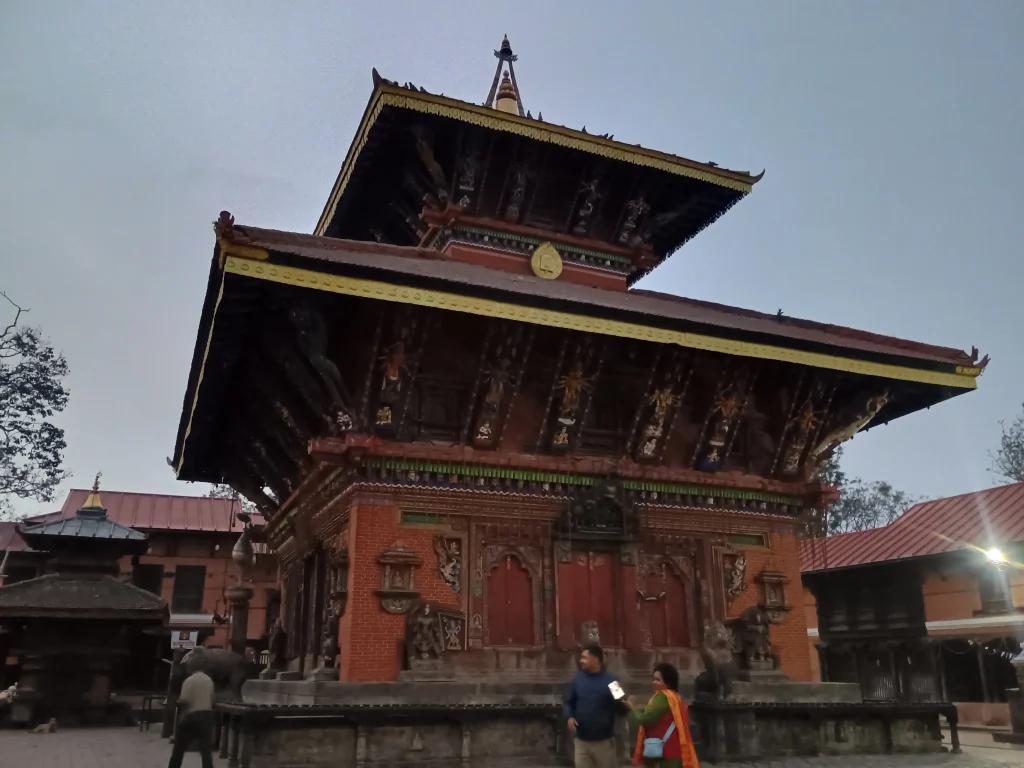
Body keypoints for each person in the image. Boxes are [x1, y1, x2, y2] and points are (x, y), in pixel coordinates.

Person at [563, 644, 627, 768]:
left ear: (595, 659)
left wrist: (622, 702)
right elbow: (568, 702)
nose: (581, 661)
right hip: (581, 741)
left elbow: (623, 709)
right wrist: (569, 717)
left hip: (603, 743)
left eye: (584, 657)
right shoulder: (577, 679)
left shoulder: (612, 681)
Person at [624, 663, 699, 768]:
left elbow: (647, 720)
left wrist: (631, 707)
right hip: (675, 750)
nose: (654, 682)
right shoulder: (676, 697)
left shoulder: (662, 697)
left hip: (662, 752)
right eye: (654, 679)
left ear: (667, 682)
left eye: (658, 680)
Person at [167, 647, 216, 768]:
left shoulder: (189, 681)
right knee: (206, 752)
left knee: (179, 748)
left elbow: (184, 701)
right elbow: (213, 699)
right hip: (207, 717)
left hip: (191, 717)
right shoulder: (209, 680)